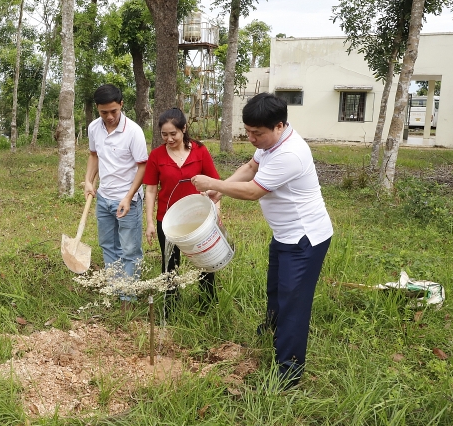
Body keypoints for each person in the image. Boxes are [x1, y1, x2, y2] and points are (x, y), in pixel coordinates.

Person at [191, 93, 332, 389]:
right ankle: (272, 331)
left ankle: (288, 374)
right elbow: (252, 167)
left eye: (257, 133)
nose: (251, 138)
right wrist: (223, 188)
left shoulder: (290, 153)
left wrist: (213, 183)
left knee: (294, 302)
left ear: (279, 126)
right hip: (284, 234)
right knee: (275, 289)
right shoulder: (270, 145)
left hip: (305, 239)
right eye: (248, 131)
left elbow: (255, 191)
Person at [143, 108, 220, 312]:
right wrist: (150, 222)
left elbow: (215, 184)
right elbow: (150, 189)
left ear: (184, 129)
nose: (169, 139)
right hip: (168, 220)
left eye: (173, 134)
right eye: (164, 134)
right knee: (170, 264)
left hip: (199, 219)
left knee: (205, 262)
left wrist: (217, 212)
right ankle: (171, 308)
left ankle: (207, 305)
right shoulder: (156, 156)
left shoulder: (199, 151)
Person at [84, 84, 148, 310]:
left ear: (121, 105)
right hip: (104, 198)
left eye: (114, 111)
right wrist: (88, 180)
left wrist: (128, 197)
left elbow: (142, 167)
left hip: (127, 200)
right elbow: (94, 156)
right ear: (97, 110)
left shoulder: (133, 131)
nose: (109, 117)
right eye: (104, 112)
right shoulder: (94, 128)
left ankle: (128, 298)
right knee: (108, 246)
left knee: (130, 249)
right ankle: (115, 288)